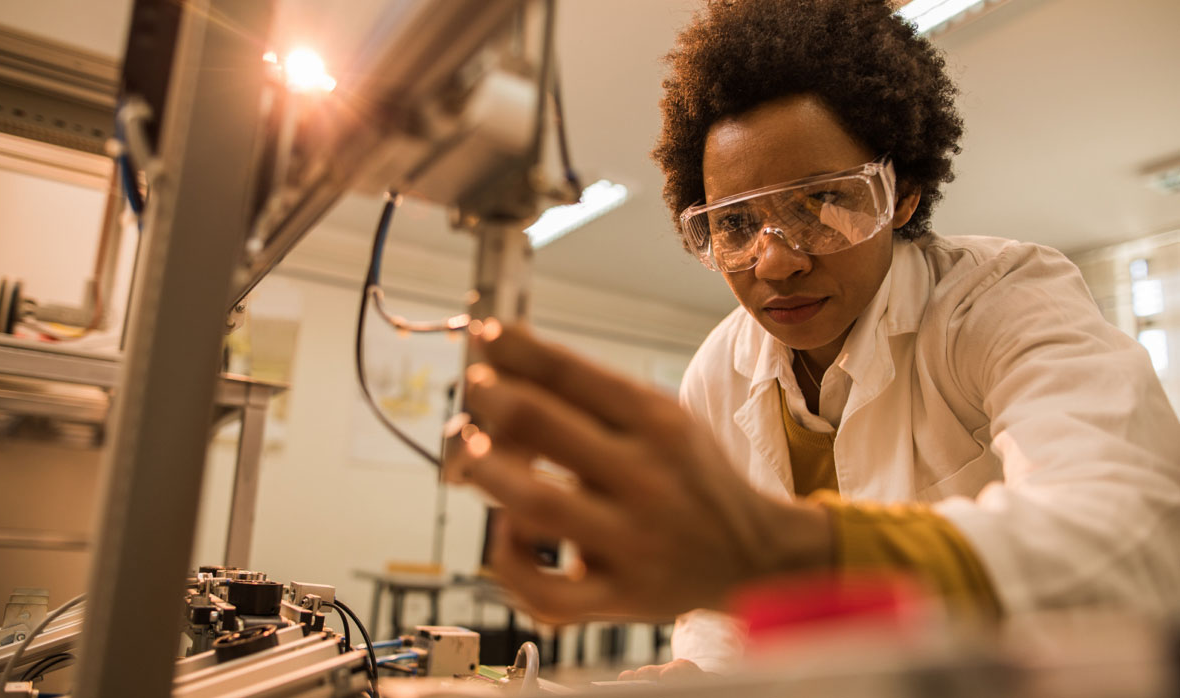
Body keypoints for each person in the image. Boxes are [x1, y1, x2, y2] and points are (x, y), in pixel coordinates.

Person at [447, 0, 1180, 678]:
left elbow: (1134, 541)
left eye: (823, 201)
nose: (776, 260)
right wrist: (695, 679)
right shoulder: (720, 369)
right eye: (734, 224)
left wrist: (777, 552)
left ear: (903, 193)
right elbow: (716, 607)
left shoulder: (1000, 301)